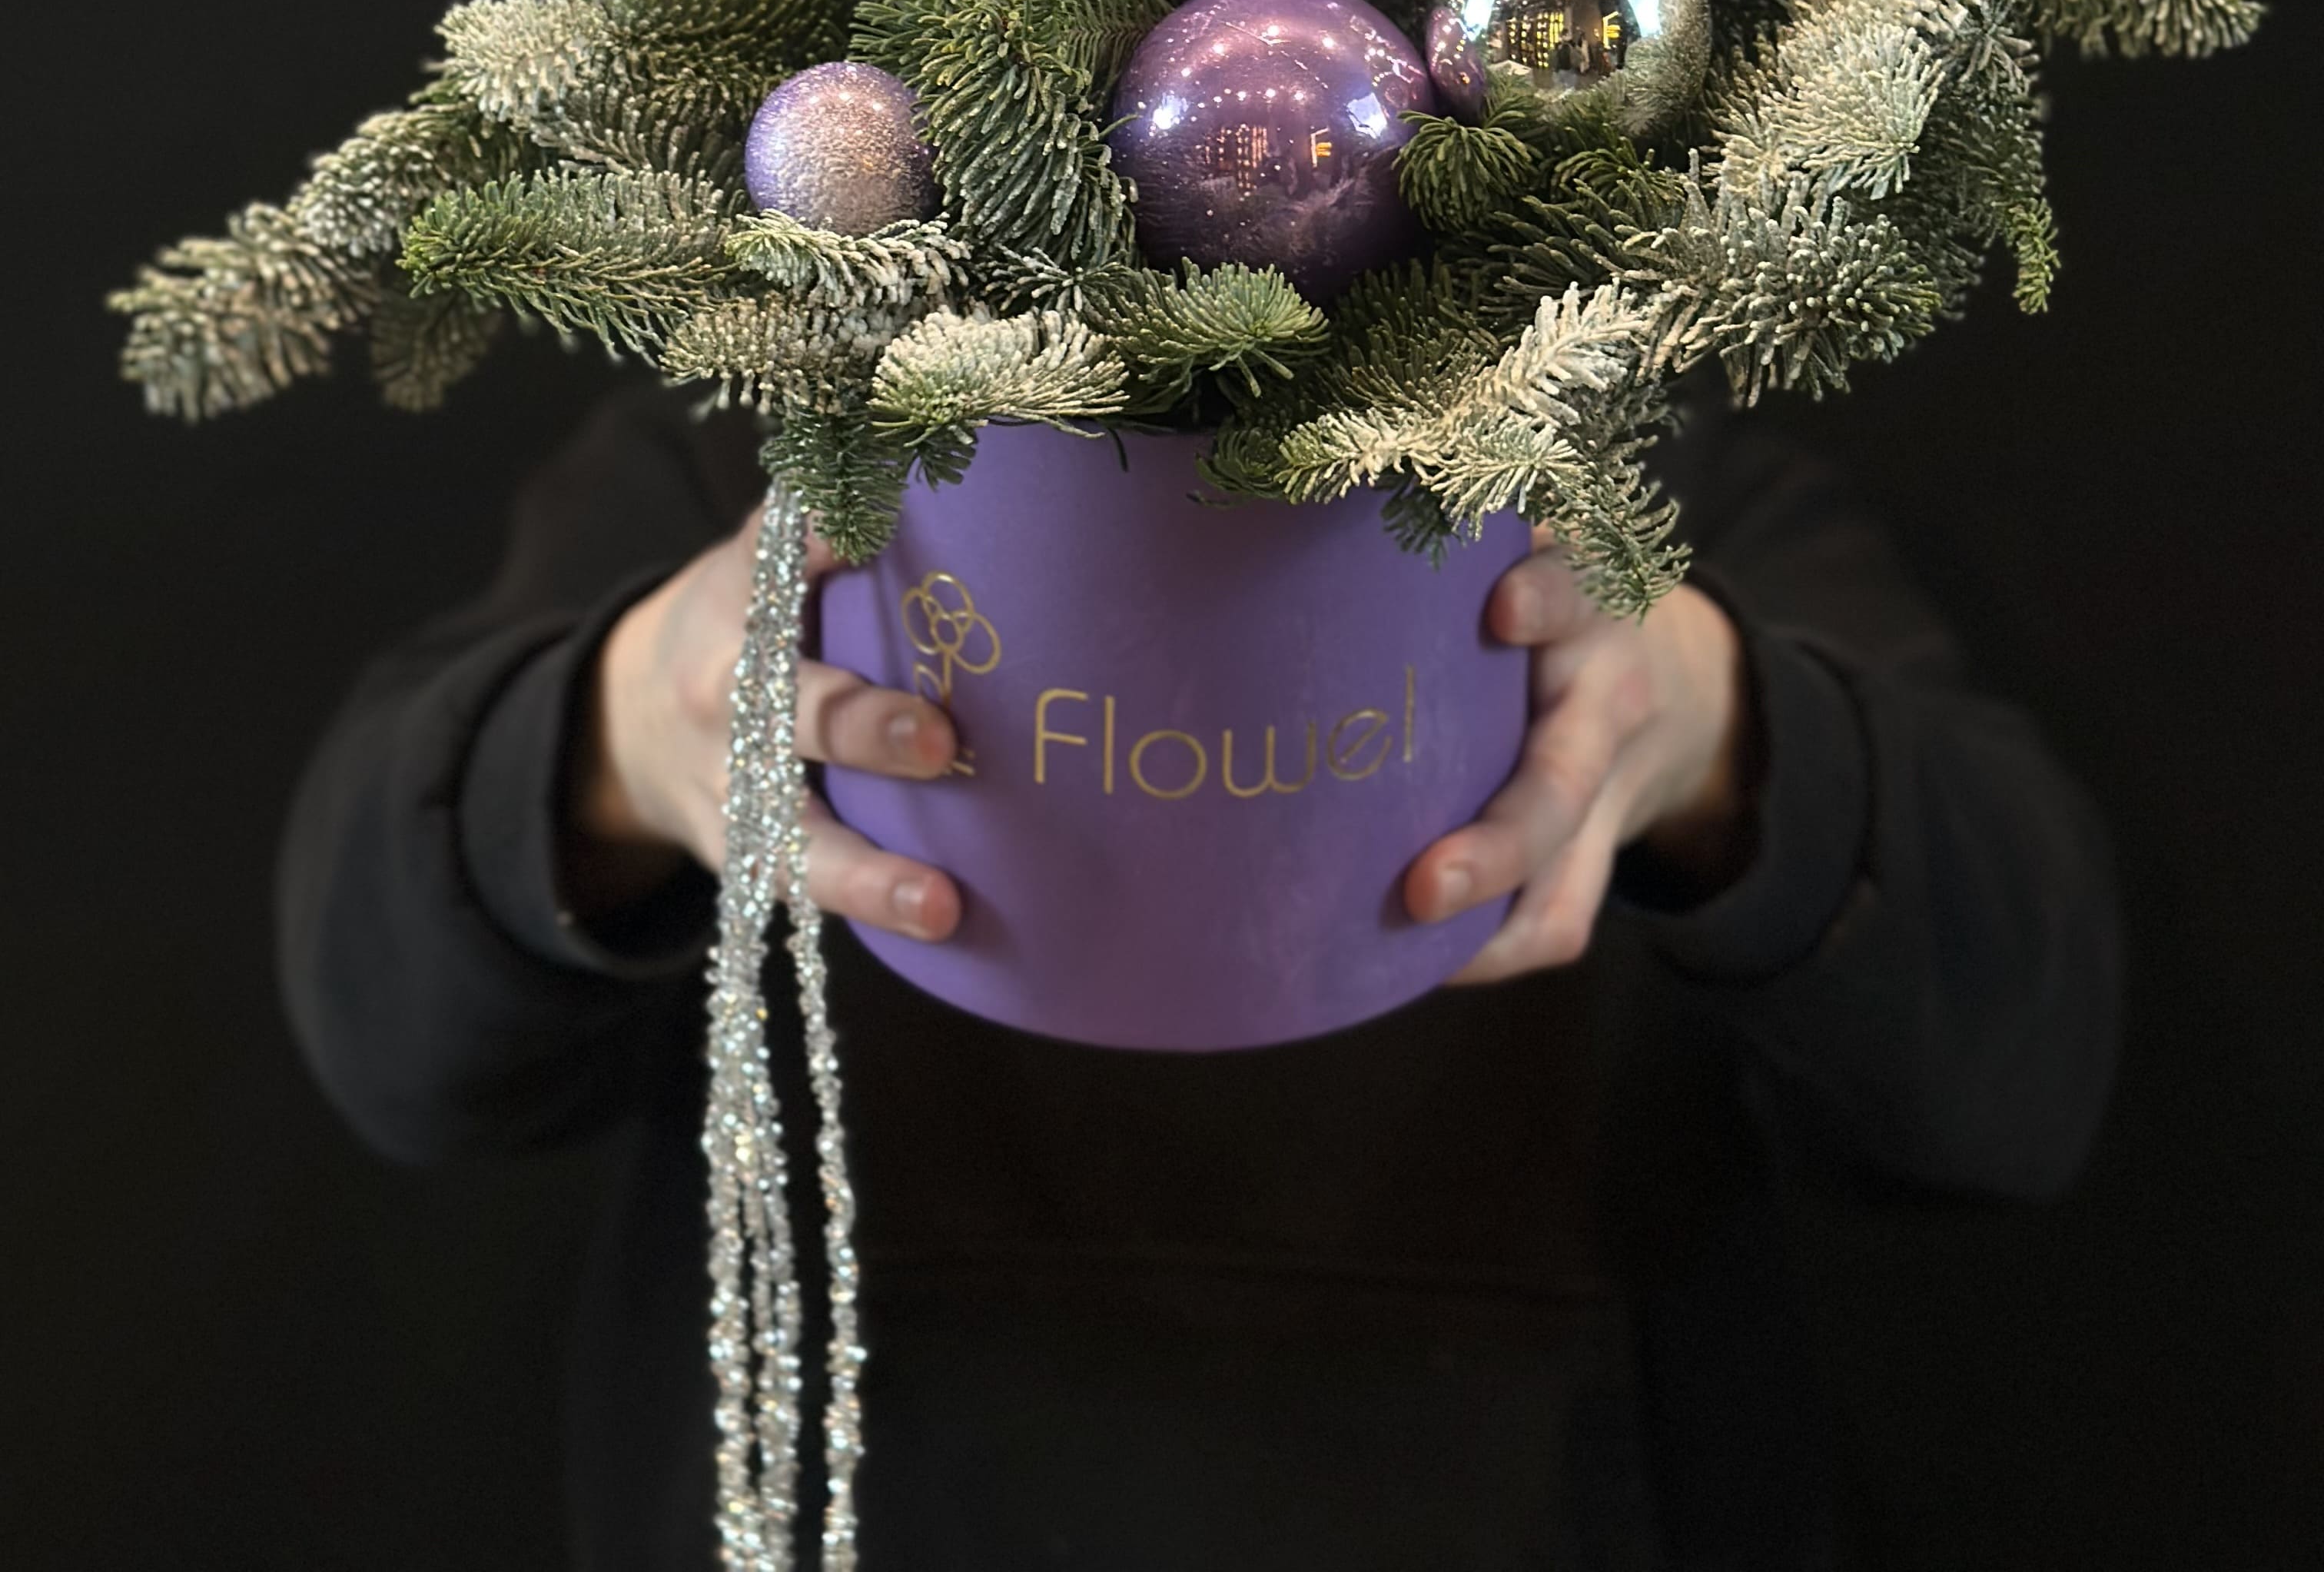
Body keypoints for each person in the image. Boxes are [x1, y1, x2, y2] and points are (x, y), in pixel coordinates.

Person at [280, 378, 2120, 1570]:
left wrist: (1721, 729)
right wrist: (614, 739)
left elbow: (2017, 1076)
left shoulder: (1630, 482)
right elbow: (393, 1034)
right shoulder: (751, 457)